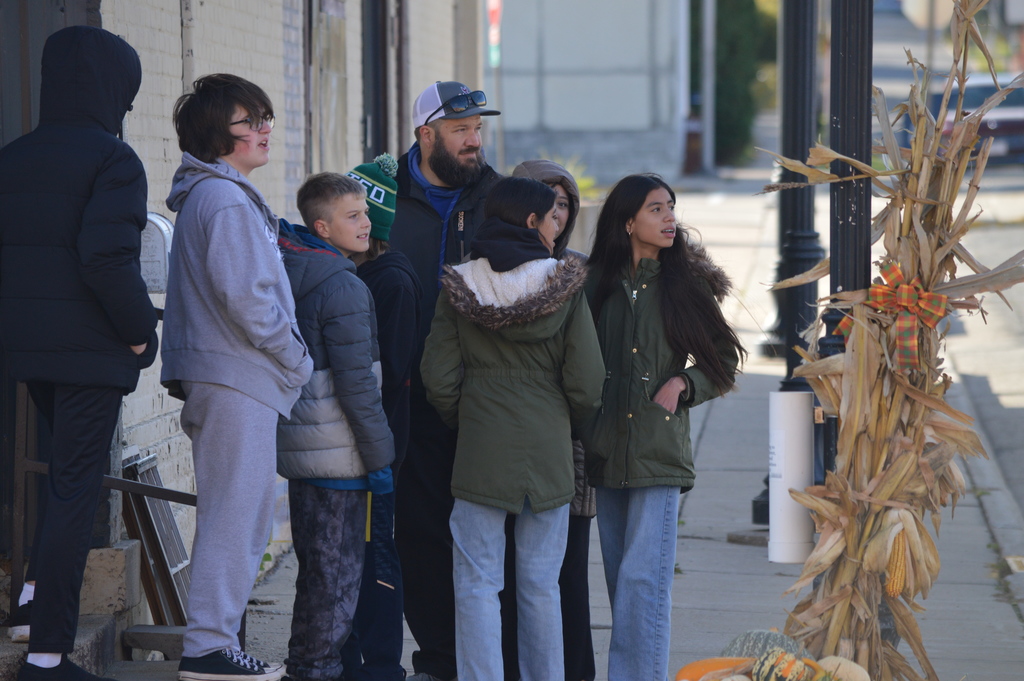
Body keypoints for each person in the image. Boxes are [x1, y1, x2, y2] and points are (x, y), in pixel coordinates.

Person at [0, 25, 159, 681]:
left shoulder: (12, 156)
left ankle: (32, 599)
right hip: (92, 351)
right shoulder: (113, 160)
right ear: (113, 89)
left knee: (53, 477)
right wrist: (140, 330)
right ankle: (45, 655)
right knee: (74, 490)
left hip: (26, 348)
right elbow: (107, 257)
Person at [420, 176, 604, 681]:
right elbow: (587, 382)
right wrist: (558, 417)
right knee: (541, 584)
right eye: (551, 216)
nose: (557, 224)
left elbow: (437, 376)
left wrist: (470, 417)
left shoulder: (461, 284)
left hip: (480, 448)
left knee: (476, 581)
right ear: (530, 221)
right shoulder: (564, 286)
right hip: (548, 453)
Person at [162, 73, 313, 681]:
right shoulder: (222, 199)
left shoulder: (220, 194)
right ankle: (207, 649)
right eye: (249, 121)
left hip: (234, 379)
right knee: (235, 515)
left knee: (243, 515)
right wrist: (296, 358)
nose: (264, 129)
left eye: (266, 117)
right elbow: (248, 298)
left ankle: (212, 645)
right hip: (235, 379)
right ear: (215, 134)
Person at [580, 174, 745, 681]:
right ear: (628, 221)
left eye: (671, 207)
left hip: (658, 450)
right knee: (619, 583)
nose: (670, 217)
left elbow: (724, 358)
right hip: (605, 452)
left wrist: (682, 384)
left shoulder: (683, 285)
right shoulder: (594, 284)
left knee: (643, 583)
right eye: (656, 209)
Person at [388, 80, 501, 681]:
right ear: (425, 134)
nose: (474, 141)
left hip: (483, 398)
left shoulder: (498, 198)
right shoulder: (378, 195)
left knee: (486, 535)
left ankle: (488, 658)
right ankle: (440, 658)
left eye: (478, 129)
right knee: (421, 532)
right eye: (460, 130)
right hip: (408, 396)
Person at [277, 172, 396, 681]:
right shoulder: (342, 284)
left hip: (305, 448)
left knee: (316, 575)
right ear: (322, 227)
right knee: (337, 581)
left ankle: (308, 666)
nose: (366, 224)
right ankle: (314, 671)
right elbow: (358, 387)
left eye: (365, 214)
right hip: (341, 452)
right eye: (353, 216)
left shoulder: (291, 267)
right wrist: (381, 459)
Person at [497, 159, 596, 681]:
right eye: (546, 202)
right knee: (508, 579)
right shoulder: (487, 271)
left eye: (564, 204)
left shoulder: (579, 272)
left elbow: (590, 373)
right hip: (500, 452)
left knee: (564, 579)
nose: (556, 214)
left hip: (569, 452)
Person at [339, 154, 422, 681]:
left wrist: (376, 451)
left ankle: (381, 664)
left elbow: (390, 375)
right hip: (355, 446)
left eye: (354, 213)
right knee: (350, 558)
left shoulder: (390, 283)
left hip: (379, 450)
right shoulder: (364, 275)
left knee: (376, 561)